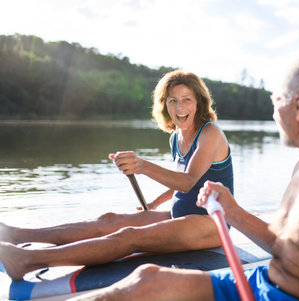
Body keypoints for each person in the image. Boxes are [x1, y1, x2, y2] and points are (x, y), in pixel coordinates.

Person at [68, 57, 299, 301]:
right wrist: (231, 210)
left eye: (275, 98)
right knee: (147, 279)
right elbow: (281, 245)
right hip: (260, 282)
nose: (272, 109)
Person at [0, 70, 234, 281]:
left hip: (211, 223)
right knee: (108, 221)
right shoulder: (177, 137)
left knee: (129, 237)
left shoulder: (210, 133)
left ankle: (27, 260)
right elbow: (188, 181)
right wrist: (155, 203)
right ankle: (17, 234)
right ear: (165, 105)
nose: (180, 108)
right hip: (179, 215)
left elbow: (188, 182)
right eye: (173, 101)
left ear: (199, 103)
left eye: (187, 100)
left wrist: (142, 165)